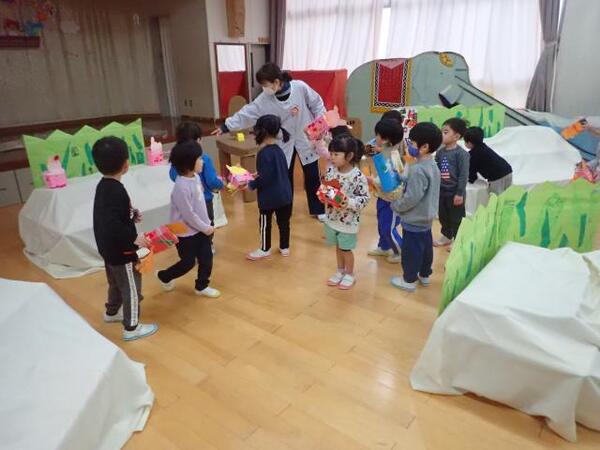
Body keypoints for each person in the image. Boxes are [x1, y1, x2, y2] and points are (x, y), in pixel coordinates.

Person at [212, 62, 326, 221]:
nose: (264, 88)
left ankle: (319, 209)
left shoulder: (300, 87)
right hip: (284, 140)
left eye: (265, 85)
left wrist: (320, 125)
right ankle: (285, 209)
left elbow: (317, 103)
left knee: (313, 174)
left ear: (277, 82)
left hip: (306, 136)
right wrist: (227, 126)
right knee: (284, 176)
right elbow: (248, 113)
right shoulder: (264, 99)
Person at [92, 136, 158, 341]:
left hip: (108, 249)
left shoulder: (104, 186)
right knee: (131, 288)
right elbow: (113, 225)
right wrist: (135, 238)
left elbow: (110, 216)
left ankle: (111, 312)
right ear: (125, 164)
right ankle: (132, 327)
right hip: (122, 251)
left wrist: (132, 214)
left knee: (115, 282)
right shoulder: (116, 190)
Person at [156, 141, 221, 298]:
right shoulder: (181, 187)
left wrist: (206, 224)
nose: (202, 161)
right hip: (185, 233)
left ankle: (201, 286)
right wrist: (205, 227)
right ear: (188, 164)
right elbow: (188, 214)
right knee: (188, 262)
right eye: (199, 159)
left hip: (200, 228)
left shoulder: (196, 178)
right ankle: (164, 276)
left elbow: (199, 204)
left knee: (206, 257)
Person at [390, 123, 442, 292]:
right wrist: (403, 177)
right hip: (426, 216)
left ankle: (409, 280)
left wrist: (396, 206)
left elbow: (411, 197)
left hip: (414, 218)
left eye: (412, 143)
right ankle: (424, 275)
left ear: (424, 147)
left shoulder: (418, 170)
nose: (409, 146)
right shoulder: (432, 165)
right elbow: (420, 185)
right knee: (425, 247)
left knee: (411, 250)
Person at [322, 135, 370, 290]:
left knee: (346, 249)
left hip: (348, 221)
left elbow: (364, 199)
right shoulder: (331, 171)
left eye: (336, 154)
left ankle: (349, 274)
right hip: (332, 218)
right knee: (338, 246)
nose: (332, 157)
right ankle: (340, 270)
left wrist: (348, 202)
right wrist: (323, 195)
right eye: (331, 153)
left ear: (349, 156)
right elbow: (326, 188)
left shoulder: (358, 176)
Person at [169, 121, 224, 252]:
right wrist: (221, 183)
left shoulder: (178, 159)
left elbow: (172, 175)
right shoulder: (204, 158)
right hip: (205, 200)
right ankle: (207, 245)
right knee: (207, 222)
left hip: (187, 201)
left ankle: (195, 248)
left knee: (191, 225)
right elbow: (212, 181)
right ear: (198, 140)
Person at [244, 115, 293, 260]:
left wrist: (251, 184)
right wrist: (258, 174)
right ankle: (285, 247)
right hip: (285, 195)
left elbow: (265, 177)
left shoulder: (263, 153)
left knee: (265, 223)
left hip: (269, 197)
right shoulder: (279, 150)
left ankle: (265, 249)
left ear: (262, 132)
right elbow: (278, 171)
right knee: (284, 222)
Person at [366, 118, 405, 264]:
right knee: (382, 224)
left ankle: (400, 250)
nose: (375, 138)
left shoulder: (392, 157)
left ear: (385, 140)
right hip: (383, 197)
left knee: (388, 228)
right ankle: (384, 246)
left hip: (392, 200)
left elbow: (389, 183)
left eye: (377, 135)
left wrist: (372, 180)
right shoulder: (386, 153)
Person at [434, 118, 469, 249]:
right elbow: (437, 170)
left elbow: (463, 175)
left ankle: (458, 239)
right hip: (442, 191)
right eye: (442, 132)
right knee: (443, 215)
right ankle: (447, 236)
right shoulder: (440, 152)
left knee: (456, 218)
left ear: (456, 136)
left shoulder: (461, 154)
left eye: (445, 132)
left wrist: (459, 193)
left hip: (455, 192)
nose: (442, 135)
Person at [463, 126, 513, 195]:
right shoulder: (484, 147)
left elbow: (472, 171)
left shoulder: (472, 155)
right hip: (508, 171)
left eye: (465, 141)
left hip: (497, 177)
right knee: (506, 195)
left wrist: (470, 180)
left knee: (495, 196)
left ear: (469, 143)